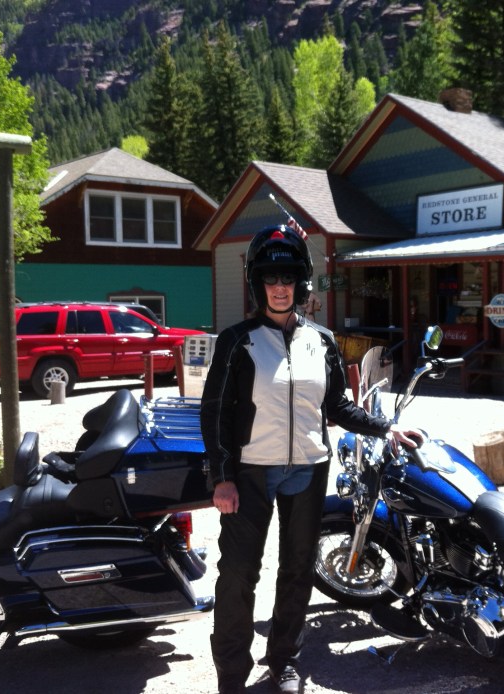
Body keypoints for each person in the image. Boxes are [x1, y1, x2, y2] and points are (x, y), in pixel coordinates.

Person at [200, 224, 419, 694]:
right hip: (250, 472)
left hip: (308, 467)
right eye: (270, 277)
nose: (279, 287)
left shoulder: (321, 340)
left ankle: (284, 660)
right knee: (238, 574)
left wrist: (386, 428)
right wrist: (220, 476)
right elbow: (214, 413)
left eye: (288, 278)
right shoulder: (237, 341)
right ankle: (231, 676)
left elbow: (336, 406)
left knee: (299, 569)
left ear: (300, 283)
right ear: (257, 282)